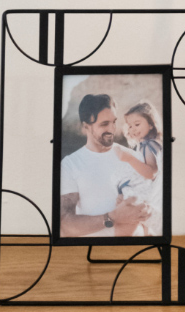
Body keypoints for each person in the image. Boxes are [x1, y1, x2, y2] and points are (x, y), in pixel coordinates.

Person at [60, 93, 151, 238]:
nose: (112, 129)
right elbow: (65, 226)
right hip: (95, 246)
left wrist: (147, 212)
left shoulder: (133, 158)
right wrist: (113, 217)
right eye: (104, 124)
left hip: (136, 245)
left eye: (114, 122)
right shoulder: (70, 165)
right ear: (85, 126)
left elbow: (149, 205)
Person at [114, 102, 164, 236]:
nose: (133, 129)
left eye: (137, 124)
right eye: (130, 126)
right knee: (145, 228)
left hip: (146, 198)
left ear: (151, 124)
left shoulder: (148, 145)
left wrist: (129, 159)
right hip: (148, 197)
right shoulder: (146, 145)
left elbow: (151, 172)